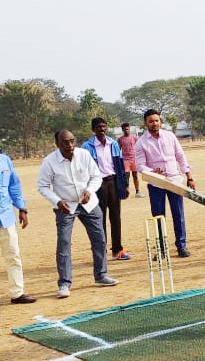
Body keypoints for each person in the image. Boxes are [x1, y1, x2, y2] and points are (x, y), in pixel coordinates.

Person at [38, 130, 119, 298]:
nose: (70, 146)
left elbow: (96, 177)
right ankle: (64, 284)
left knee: (99, 239)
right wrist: (58, 201)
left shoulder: (84, 154)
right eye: (65, 142)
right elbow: (43, 186)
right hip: (65, 206)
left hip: (89, 204)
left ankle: (101, 275)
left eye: (72, 141)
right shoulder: (49, 162)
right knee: (64, 243)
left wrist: (89, 191)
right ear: (57, 143)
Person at [134, 109, 194, 258]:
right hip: (156, 184)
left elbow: (180, 156)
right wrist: (153, 172)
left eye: (156, 120)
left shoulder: (170, 136)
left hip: (175, 181)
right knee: (158, 217)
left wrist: (189, 176)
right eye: (151, 121)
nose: (154, 123)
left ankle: (181, 246)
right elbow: (140, 165)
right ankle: (161, 250)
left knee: (178, 214)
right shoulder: (141, 143)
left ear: (160, 121)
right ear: (145, 123)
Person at [81, 117, 131, 261]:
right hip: (97, 186)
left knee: (116, 218)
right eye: (98, 127)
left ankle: (118, 250)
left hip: (113, 183)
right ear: (93, 130)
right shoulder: (87, 147)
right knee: (99, 219)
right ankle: (100, 252)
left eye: (103, 126)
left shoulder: (113, 144)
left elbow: (120, 166)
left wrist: (124, 185)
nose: (101, 129)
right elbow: (83, 170)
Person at [0, 152, 35, 304]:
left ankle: (17, 293)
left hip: (5, 216)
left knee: (13, 255)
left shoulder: (4, 160)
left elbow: (14, 185)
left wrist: (22, 208)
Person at [117, 123, 143, 197]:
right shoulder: (120, 139)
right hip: (125, 160)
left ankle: (137, 191)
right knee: (126, 176)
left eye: (127, 129)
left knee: (135, 175)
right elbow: (118, 150)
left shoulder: (134, 138)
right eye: (125, 129)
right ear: (122, 130)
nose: (126, 130)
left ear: (129, 129)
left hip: (134, 159)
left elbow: (139, 148)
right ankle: (126, 191)